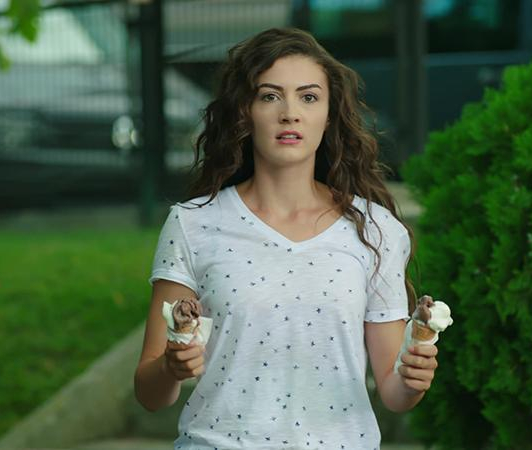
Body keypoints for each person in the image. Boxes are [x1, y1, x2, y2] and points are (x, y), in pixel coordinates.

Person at [134, 27, 439, 449]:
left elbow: (394, 392)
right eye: (270, 96)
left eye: (308, 97)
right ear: (245, 112)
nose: (290, 113)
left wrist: (413, 377)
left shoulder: (376, 229)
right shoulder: (192, 224)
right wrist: (171, 366)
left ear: (328, 115)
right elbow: (150, 394)